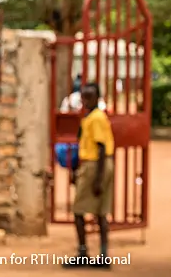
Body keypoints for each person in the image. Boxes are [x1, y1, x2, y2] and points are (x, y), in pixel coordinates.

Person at [63, 83, 115, 270]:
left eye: (90, 97)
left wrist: (98, 179)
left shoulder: (97, 118)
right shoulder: (88, 118)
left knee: (81, 210)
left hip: (96, 165)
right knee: (98, 212)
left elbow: (101, 148)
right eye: (84, 97)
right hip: (92, 164)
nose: (86, 100)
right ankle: (100, 253)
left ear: (97, 97)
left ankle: (87, 252)